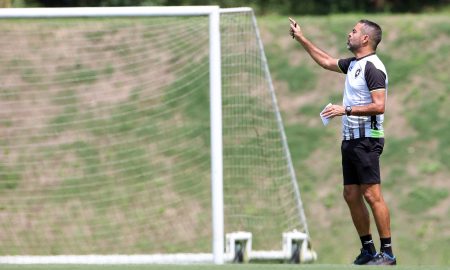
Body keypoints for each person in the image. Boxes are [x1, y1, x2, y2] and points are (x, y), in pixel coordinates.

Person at [289, 18, 396, 265]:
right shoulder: (355, 64)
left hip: (367, 140)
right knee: (350, 194)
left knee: (371, 194)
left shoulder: (373, 67)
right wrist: (301, 37)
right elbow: (326, 61)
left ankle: (388, 253)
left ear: (366, 39)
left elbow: (380, 106)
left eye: (354, 31)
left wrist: (345, 109)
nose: (349, 34)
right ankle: (368, 249)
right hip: (350, 140)